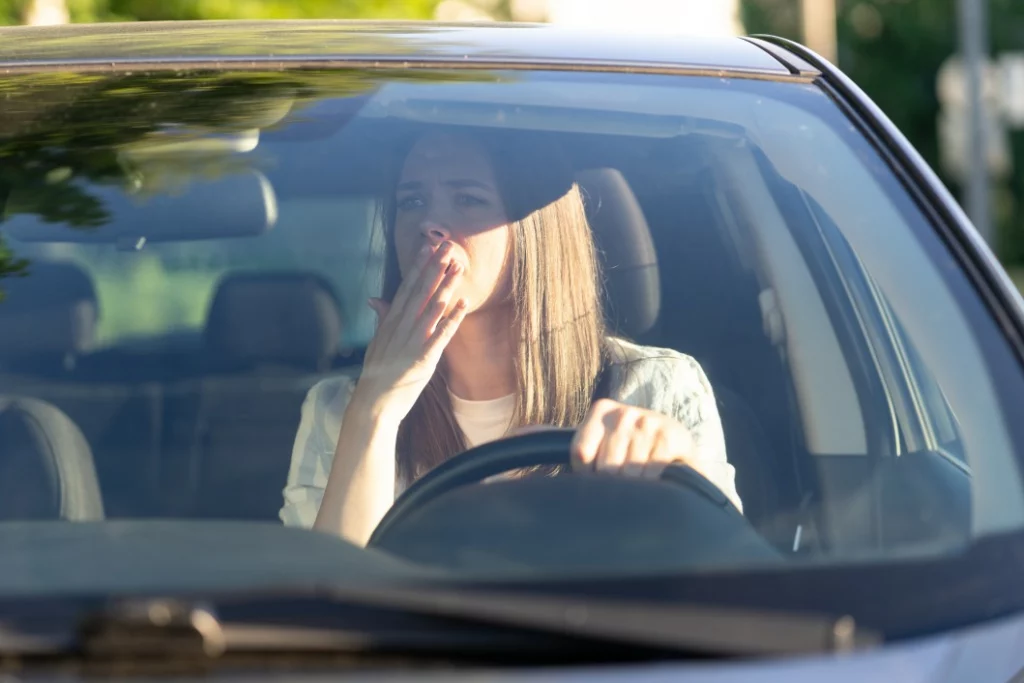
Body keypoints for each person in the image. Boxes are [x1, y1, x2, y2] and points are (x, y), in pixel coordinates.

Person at [280, 129, 741, 546]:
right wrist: (375, 412)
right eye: (411, 202)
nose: (430, 224)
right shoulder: (339, 410)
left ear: (535, 231)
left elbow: (726, 587)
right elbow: (327, 603)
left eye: (468, 199)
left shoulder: (655, 390)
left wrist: (682, 473)